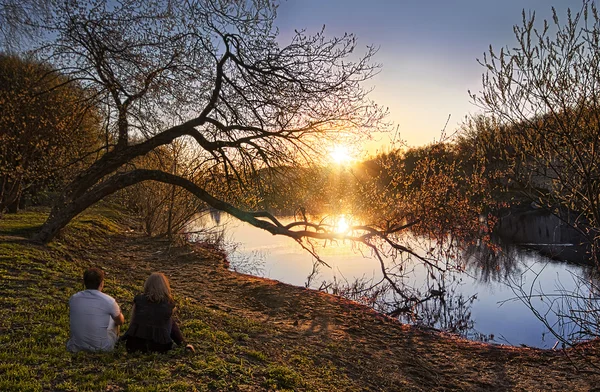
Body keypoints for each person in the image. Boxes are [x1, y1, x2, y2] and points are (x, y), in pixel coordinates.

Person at [122, 272, 193, 353]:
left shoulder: (138, 300)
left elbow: (133, 322)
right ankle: (183, 344)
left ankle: (182, 344)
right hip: (159, 347)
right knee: (170, 321)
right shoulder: (169, 304)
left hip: (134, 345)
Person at [66, 267, 125, 352]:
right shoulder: (109, 301)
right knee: (114, 318)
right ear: (101, 283)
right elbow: (120, 321)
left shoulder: (74, 298)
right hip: (103, 348)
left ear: (84, 282)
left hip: (75, 346)